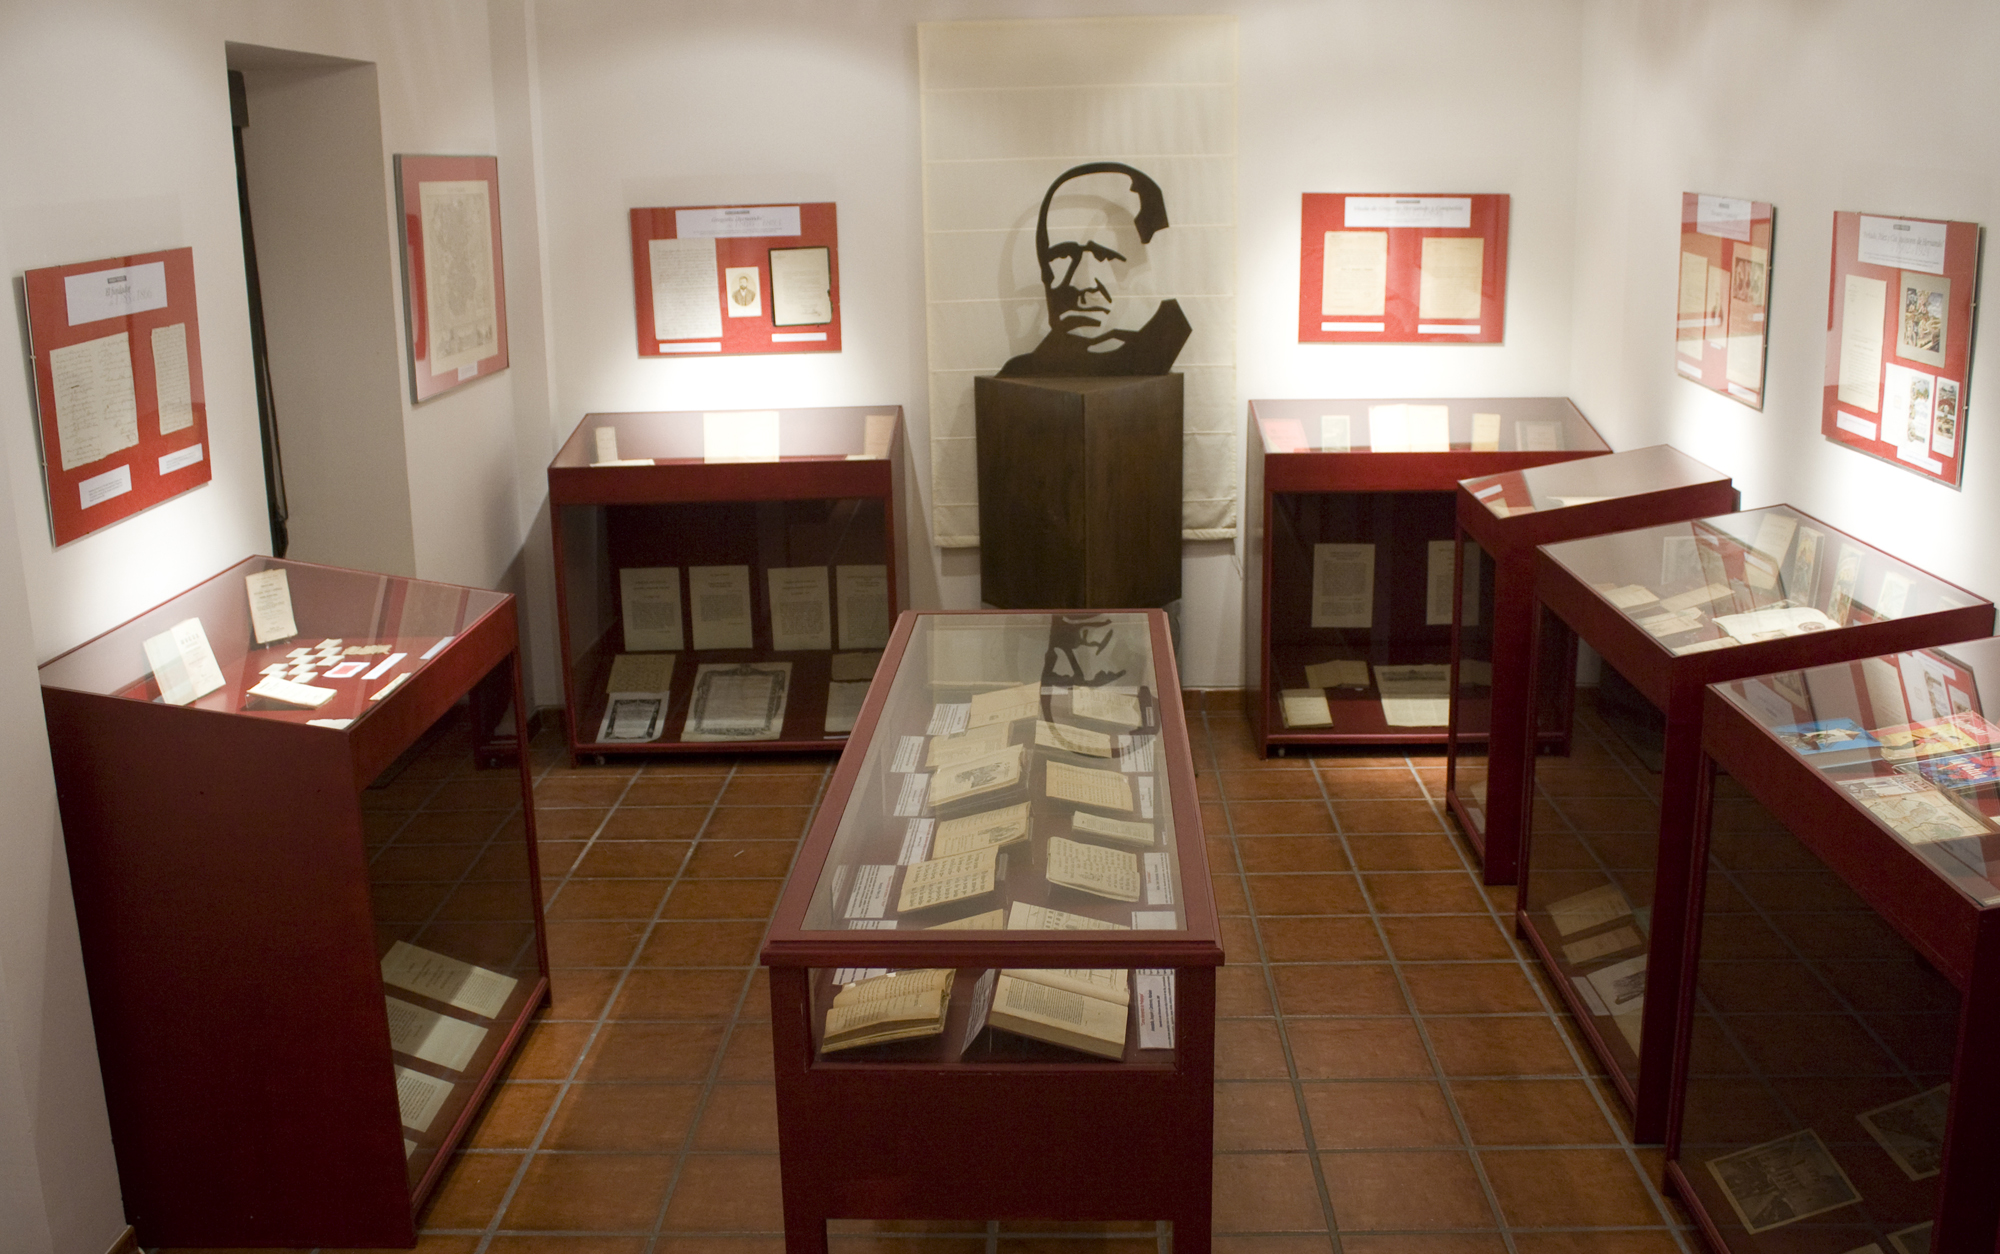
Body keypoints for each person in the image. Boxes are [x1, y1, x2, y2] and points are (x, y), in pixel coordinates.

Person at [999, 162, 1190, 377]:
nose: (1087, 284)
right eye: (1061, 256)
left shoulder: (1161, 345)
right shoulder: (1025, 370)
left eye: (1104, 256)